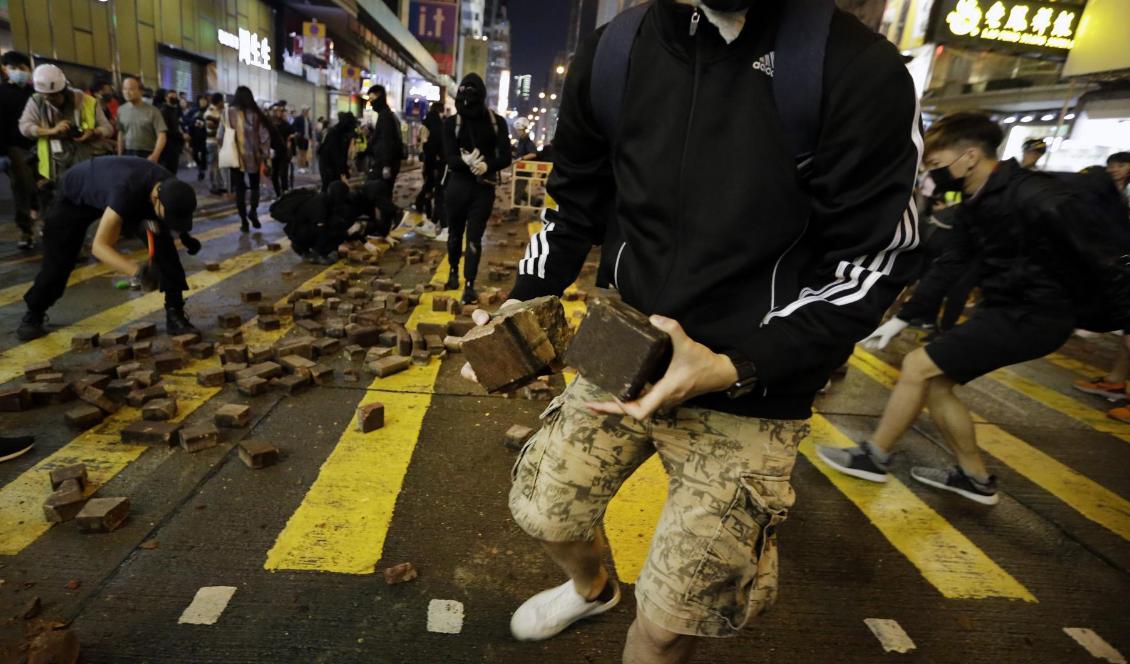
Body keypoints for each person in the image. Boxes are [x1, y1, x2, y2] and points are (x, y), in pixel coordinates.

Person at [464, 2, 921, 661]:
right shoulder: (614, 52)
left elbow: (869, 266)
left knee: (670, 622)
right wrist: (522, 302)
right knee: (544, 512)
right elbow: (573, 202)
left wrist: (737, 363)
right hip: (619, 349)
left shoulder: (854, 70)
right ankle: (594, 590)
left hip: (753, 393)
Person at [818, 112, 1130, 506]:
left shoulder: (1035, 195)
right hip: (1006, 309)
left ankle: (873, 456)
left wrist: (1104, 315)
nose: (934, 171)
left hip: (1036, 315)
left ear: (969, 156)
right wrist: (902, 316)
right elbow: (950, 263)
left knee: (918, 366)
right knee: (935, 382)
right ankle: (974, 477)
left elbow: (1103, 256)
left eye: (936, 163)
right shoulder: (976, 201)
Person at [16, 156, 199, 341]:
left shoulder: (170, 186)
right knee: (59, 263)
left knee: (165, 250)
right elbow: (100, 247)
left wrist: (185, 236)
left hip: (122, 191)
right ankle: (34, 312)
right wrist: (138, 272)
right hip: (74, 198)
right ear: (156, 198)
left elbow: (173, 214)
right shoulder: (125, 193)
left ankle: (175, 314)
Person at [442, 73, 511, 305]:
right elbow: (450, 158)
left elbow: (506, 157)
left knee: (474, 238)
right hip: (458, 187)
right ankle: (453, 272)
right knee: (454, 235)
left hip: (483, 189)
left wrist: (487, 164)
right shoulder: (451, 123)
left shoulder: (496, 122)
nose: (466, 103)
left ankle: (469, 284)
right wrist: (466, 161)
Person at [19, 64, 113, 200]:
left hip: (84, 162)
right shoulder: (36, 101)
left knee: (84, 200)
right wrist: (51, 130)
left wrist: (93, 132)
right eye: (44, 96)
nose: (47, 99)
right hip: (53, 168)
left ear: (62, 91)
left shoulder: (88, 102)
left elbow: (108, 128)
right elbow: (25, 127)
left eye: (51, 96)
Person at [271, 180, 393, 263]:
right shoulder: (319, 205)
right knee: (330, 231)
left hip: (306, 231)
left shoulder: (329, 202)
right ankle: (316, 252)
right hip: (299, 234)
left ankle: (318, 249)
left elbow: (341, 224)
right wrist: (344, 237)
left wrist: (366, 243)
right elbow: (323, 231)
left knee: (338, 226)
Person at [217, 86, 271, 232]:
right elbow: (264, 136)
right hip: (253, 155)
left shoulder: (227, 113)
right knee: (254, 186)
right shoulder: (256, 114)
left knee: (239, 189)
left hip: (235, 157)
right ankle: (253, 211)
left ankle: (243, 222)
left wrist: (227, 148)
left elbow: (220, 136)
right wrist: (264, 154)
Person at [0, 50, 39, 250]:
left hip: (38, 145)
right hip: (13, 148)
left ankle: (43, 219)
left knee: (43, 185)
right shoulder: (2, 92)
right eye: (13, 68)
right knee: (22, 185)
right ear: (5, 70)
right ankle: (26, 229)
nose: (18, 72)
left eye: (22, 68)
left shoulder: (35, 94)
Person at [116, 76, 167, 164]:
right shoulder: (121, 110)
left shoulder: (153, 111)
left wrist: (155, 155)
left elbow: (162, 136)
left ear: (141, 91)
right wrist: (119, 155)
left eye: (131, 89)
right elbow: (121, 133)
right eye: (124, 89)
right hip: (128, 153)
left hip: (147, 153)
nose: (127, 92)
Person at [413, 102, 445, 226]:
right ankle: (425, 207)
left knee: (429, 183)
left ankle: (424, 206)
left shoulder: (425, 124)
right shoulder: (439, 125)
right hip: (436, 161)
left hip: (428, 160)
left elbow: (422, 142)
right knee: (434, 186)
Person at [317, 112, 357, 192]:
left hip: (333, 165)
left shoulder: (343, 133)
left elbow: (343, 155)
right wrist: (342, 173)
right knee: (329, 187)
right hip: (328, 165)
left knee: (336, 188)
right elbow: (335, 155)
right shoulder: (334, 133)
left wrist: (344, 172)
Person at [154, 88, 186, 174]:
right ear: (166, 98)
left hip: (175, 144)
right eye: (171, 97)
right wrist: (181, 136)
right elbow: (166, 130)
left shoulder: (174, 109)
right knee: (169, 170)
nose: (174, 98)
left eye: (175, 97)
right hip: (168, 145)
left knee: (173, 169)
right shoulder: (164, 111)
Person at [269, 101, 294, 197]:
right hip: (273, 152)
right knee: (274, 174)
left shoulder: (286, 124)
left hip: (283, 152)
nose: (280, 113)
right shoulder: (270, 124)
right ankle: (278, 193)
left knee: (283, 174)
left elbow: (293, 132)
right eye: (277, 111)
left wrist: (290, 138)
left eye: (281, 111)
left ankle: (285, 193)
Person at [204, 93, 226, 194]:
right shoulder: (210, 112)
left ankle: (220, 185)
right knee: (213, 166)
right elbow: (211, 128)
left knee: (219, 166)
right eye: (223, 100)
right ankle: (213, 187)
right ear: (219, 101)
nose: (224, 102)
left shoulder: (219, 111)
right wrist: (220, 124)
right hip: (212, 142)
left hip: (218, 143)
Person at [186, 94, 210, 182]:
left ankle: (202, 170)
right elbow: (188, 121)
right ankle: (200, 166)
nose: (203, 102)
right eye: (201, 100)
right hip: (195, 136)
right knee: (195, 154)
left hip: (205, 136)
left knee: (203, 153)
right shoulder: (193, 111)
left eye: (204, 100)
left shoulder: (209, 110)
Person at [293, 106, 312, 173]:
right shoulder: (298, 118)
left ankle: (303, 166)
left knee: (305, 153)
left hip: (306, 138)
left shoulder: (308, 119)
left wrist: (311, 137)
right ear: (303, 111)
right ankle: (300, 167)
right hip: (301, 138)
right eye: (306, 110)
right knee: (301, 153)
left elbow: (309, 129)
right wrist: (298, 133)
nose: (307, 112)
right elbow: (294, 126)